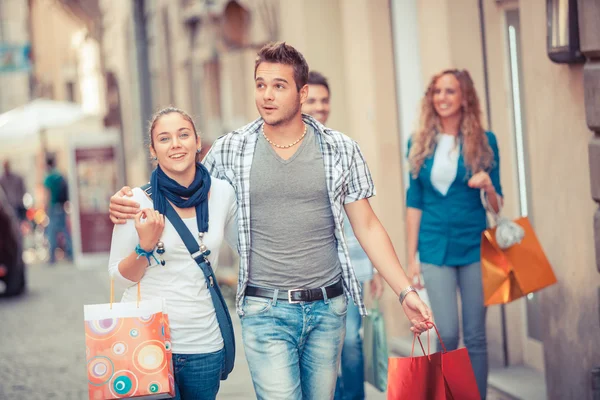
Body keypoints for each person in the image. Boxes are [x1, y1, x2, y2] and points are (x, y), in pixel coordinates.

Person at [109, 42, 432, 400]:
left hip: (328, 308)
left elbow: (367, 225)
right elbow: (184, 182)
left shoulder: (340, 148)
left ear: (302, 92)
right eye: (260, 85)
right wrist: (131, 199)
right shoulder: (232, 149)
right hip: (266, 310)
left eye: (279, 86)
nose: (267, 95)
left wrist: (405, 290)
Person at [108, 107, 237, 399]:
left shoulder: (224, 193)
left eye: (183, 135)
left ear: (197, 141)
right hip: (146, 340)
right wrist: (145, 246)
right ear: (153, 150)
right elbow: (117, 276)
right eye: (164, 139)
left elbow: (248, 243)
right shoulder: (136, 201)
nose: (176, 144)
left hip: (204, 343)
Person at [406, 68, 502, 398]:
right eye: (437, 92)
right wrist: (411, 258)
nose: (442, 98)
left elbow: (498, 204)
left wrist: (487, 183)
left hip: (474, 245)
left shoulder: (484, 141)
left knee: (475, 336)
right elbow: (414, 203)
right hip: (433, 247)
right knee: (446, 332)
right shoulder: (418, 142)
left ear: (464, 98)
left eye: (450, 91)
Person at [303, 70, 383, 400]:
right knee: (320, 353)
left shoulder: (342, 149)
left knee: (350, 343)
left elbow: (361, 218)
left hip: (348, 270)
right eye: (312, 101)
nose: (320, 107)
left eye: (325, 101)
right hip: (307, 272)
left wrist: (374, 267)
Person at [44, 156, 73, 264]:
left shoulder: (49, 177)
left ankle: (52, 257)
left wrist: (46, 207)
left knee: (51, 232)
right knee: (64, 230)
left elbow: (47, 194)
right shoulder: (60, 175)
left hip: (53, 206)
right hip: (61, 206)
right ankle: (70, 253)